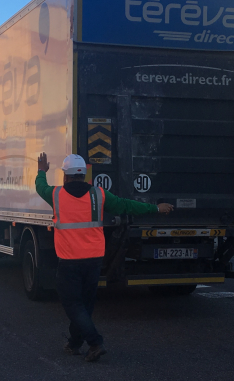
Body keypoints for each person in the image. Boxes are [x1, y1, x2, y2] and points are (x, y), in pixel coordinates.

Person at [36, 153, 173, 362]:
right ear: (84, 175)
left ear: (65, 176)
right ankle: (74, 344)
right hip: (93, 260)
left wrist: (41, 171)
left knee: (73, 305)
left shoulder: (56, 195)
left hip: (69, 261)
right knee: (85, 305)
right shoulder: (99, 195)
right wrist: (155, 208)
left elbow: (40, 187)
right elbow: (127, 205)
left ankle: (95, 343)